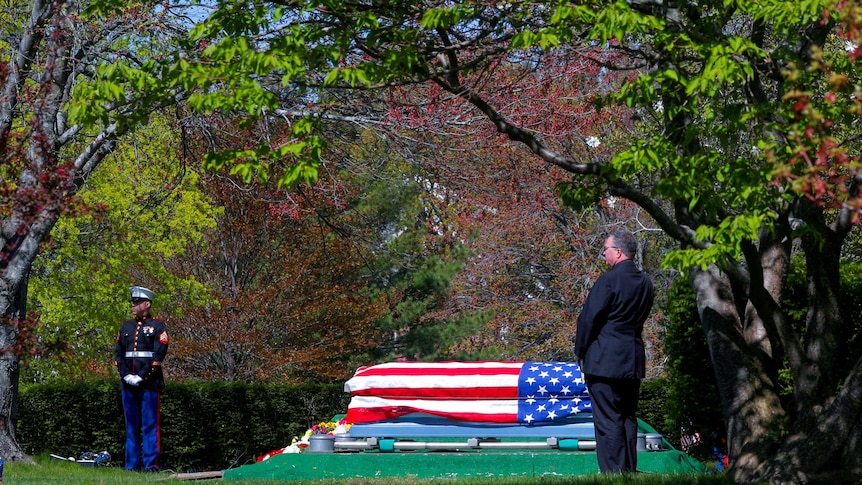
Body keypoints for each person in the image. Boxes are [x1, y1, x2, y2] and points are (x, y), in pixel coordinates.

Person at [574, 229, 654, 473]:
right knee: (627, 417)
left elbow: (589, 319)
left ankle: (612, 473)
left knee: (607, 419)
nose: (604, 255)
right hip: (632, 359)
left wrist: (580, 350)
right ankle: (628, 470)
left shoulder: (608, 281)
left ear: (618, 252)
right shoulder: (645, 283)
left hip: (605, 360)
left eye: (605, 250)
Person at [114, 286, 169, 472]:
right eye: (133, 302)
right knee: (131, 427)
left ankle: (151, 466)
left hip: (149, 385)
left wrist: (141, 377)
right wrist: (126, 375)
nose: (133, 305)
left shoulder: (158, 326)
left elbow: (157, 356)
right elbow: (118, 354)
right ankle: (130, 467)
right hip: (128, 385)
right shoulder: (126, 326)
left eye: (137, 302)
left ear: (147, 304)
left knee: (150, 426)